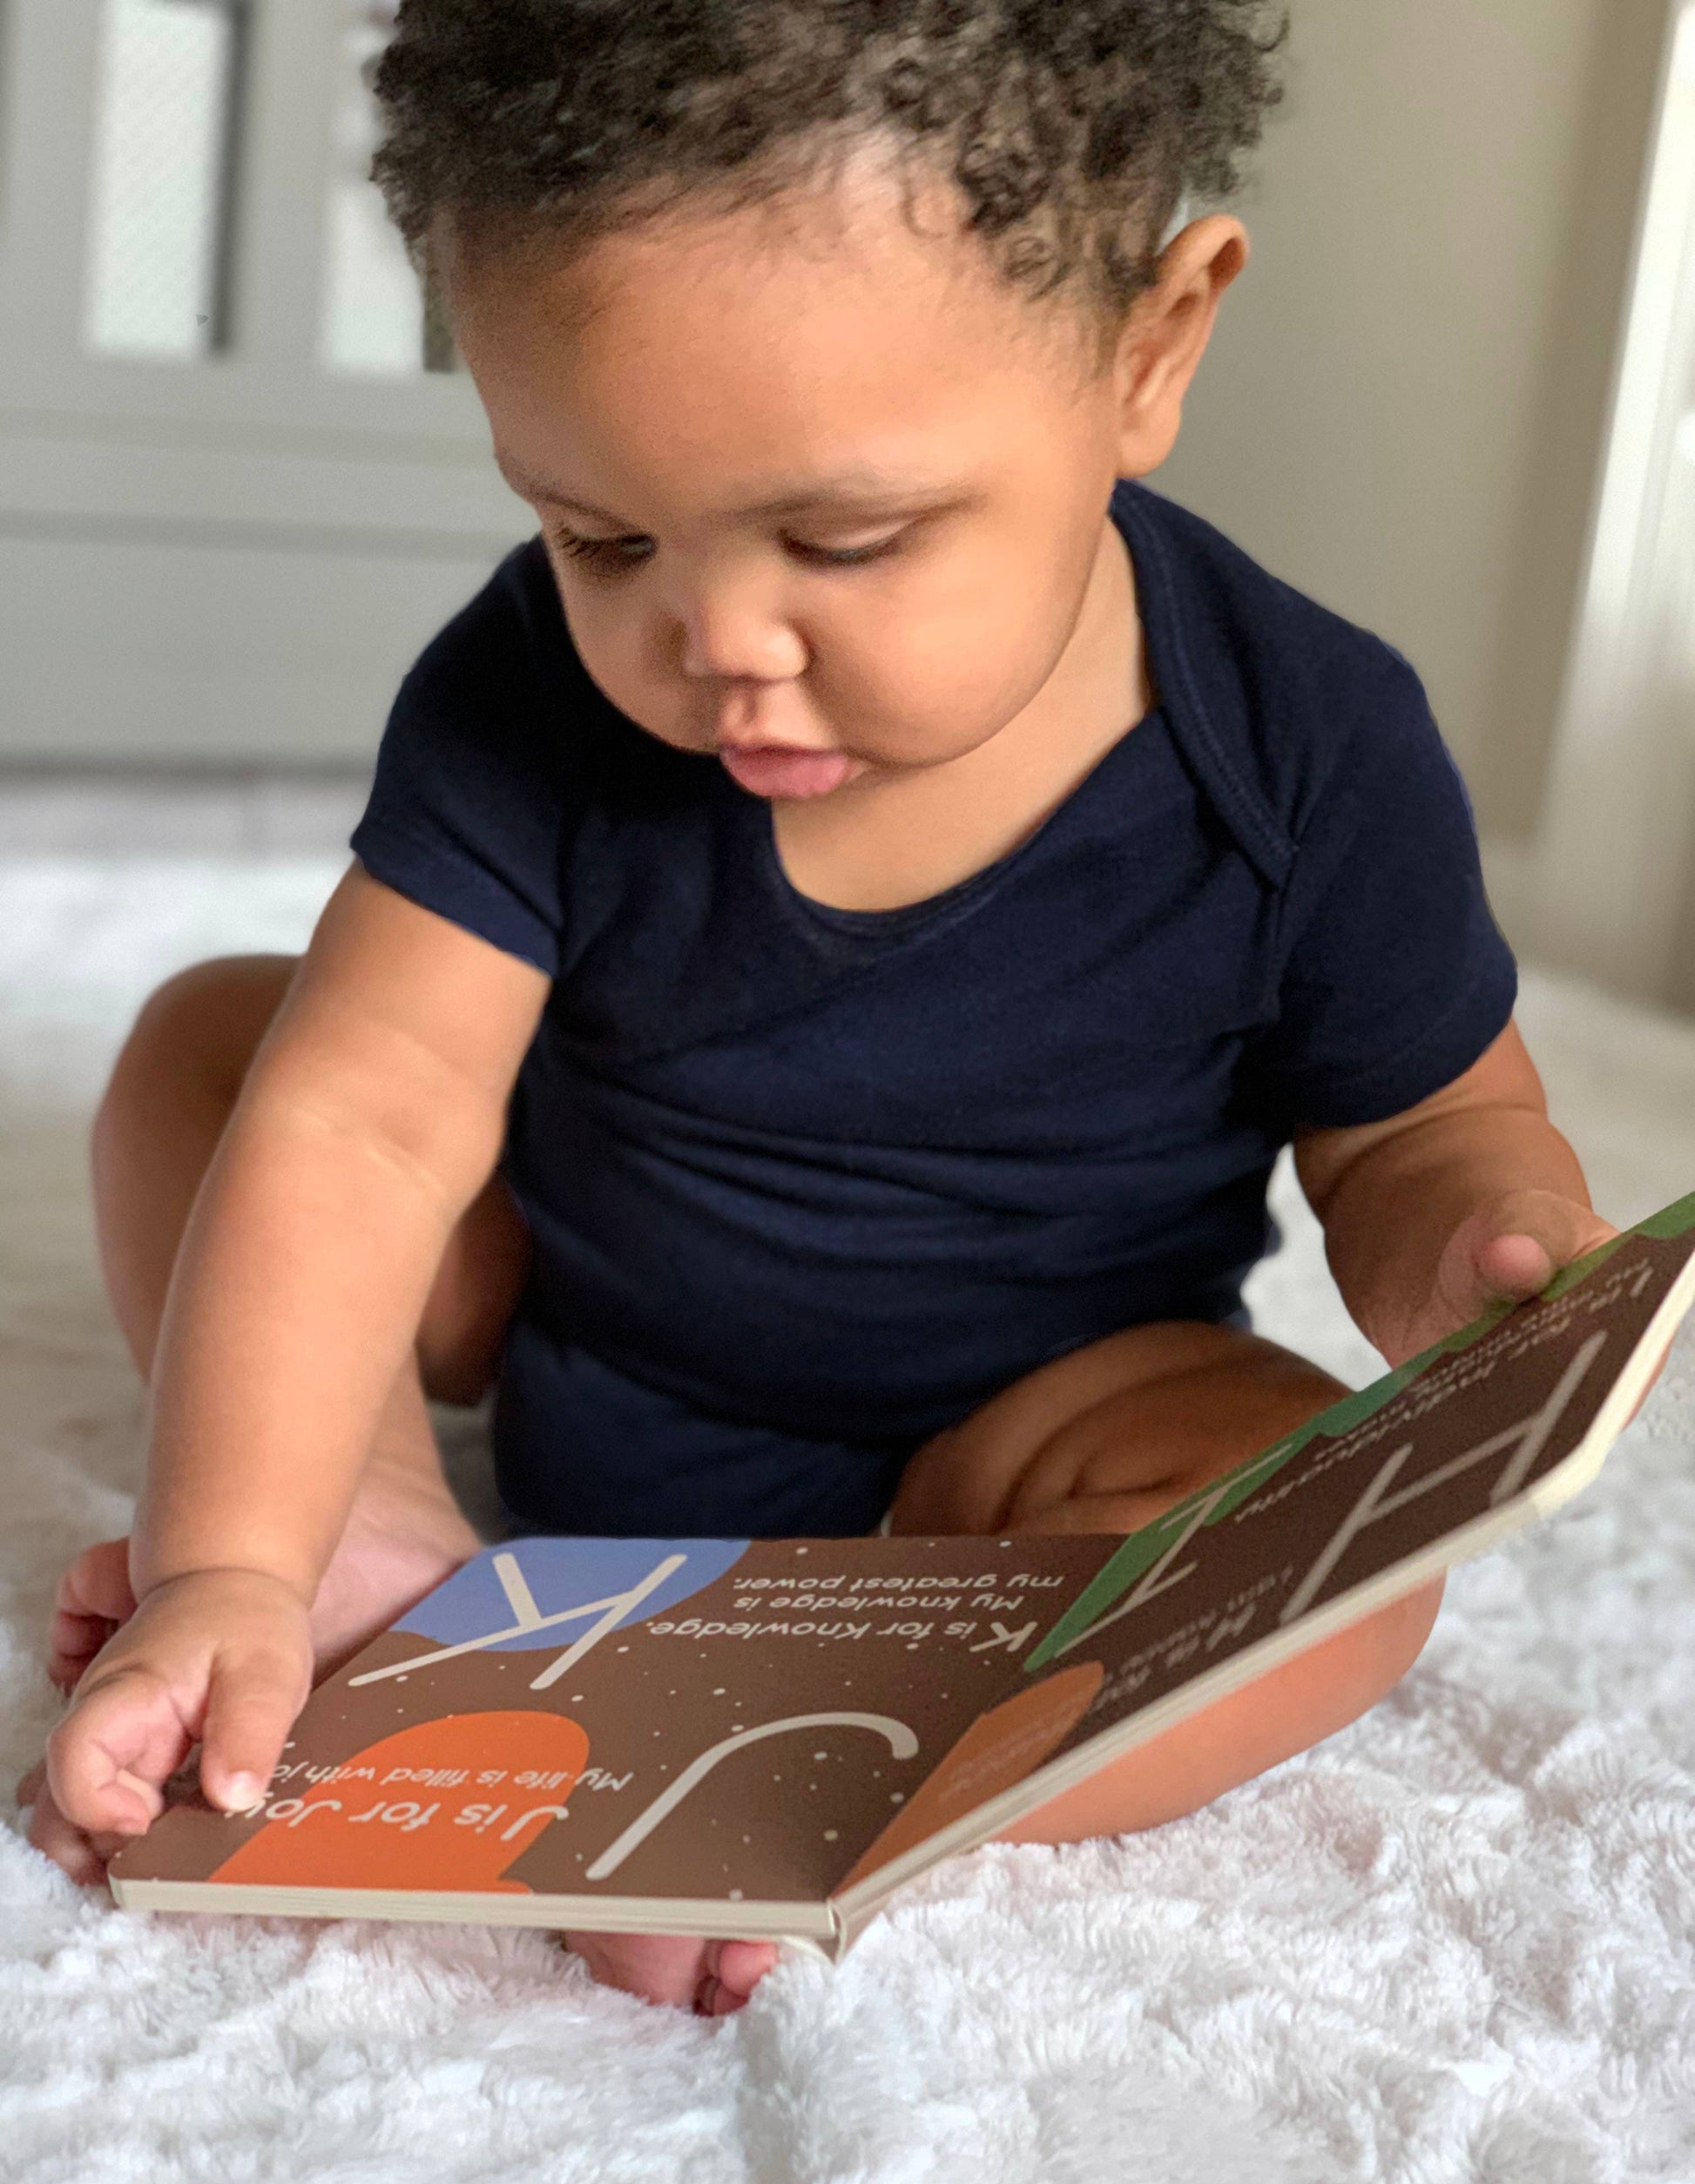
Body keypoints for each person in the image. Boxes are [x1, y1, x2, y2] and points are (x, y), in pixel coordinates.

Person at [24, 0, 1611, 2018]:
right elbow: (368, 1116)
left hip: (1026, 1430)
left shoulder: (1310, 743)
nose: (718, 642)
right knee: (221, 1049)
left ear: (1149, 348)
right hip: (580, 1322)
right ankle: (381, 1550)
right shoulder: (525, 693)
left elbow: (1420, 1131)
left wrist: (1479, 1246)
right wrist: (228, 1556)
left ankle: (846, 1767)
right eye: (600, 536)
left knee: (1322, 1546)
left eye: (843, 539)